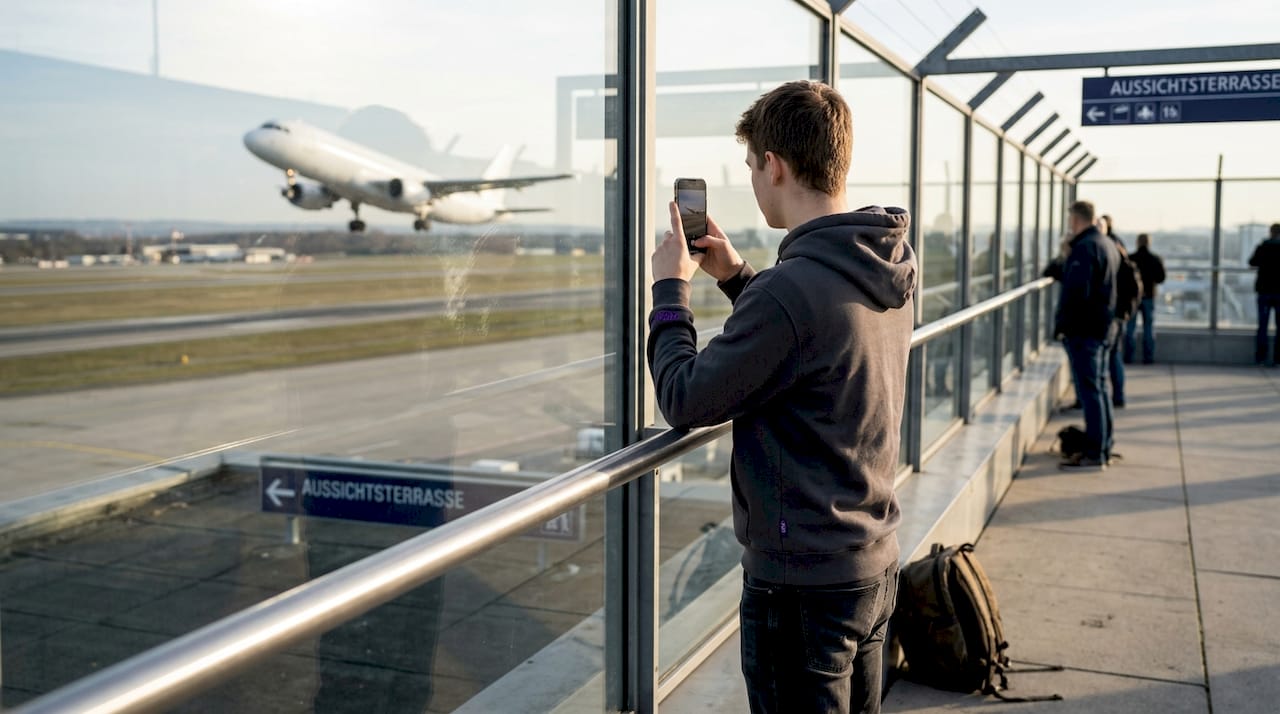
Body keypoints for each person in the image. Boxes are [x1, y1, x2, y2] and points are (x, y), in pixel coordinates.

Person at [646, 80, 917, 714]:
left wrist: (669, 293)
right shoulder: (884, 262)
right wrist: (741, 278)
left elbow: (685, 398)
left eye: (750, 166)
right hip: (870, 565)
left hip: (802, 587)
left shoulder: (790, 293)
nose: (752, 180)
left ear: (774, 164)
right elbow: (819, 350)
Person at [1057, 200, 1120, 471]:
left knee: (1091, 391)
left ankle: (1094, 453)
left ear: (1075, 219)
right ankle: (1104, 445)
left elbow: (1076, 291)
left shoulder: (1084, 248)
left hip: (1085, 331)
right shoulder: (1106, 243)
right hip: (1104, 327)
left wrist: (1064, 326)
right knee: (1100, 389)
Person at [1098, 215, 1127, 408]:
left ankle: (1113, 398)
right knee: (1115, 355)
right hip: (1118, 310)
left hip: (1109, 313)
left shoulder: (1103, 247)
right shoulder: (1118, 247)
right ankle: (1118, 396)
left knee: (1101, 365)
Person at [1124, 233, 1167, 364]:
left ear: (1137, 242)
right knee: (1148, 328)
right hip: (1149, 296)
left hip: (1133, 297)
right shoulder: (1155, 259)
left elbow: (1125, 278)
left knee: (1130, 328)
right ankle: (1148, 358)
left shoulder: (1131, 258)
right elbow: (1161, 278)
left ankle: (1128, 357)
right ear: (1149, 243)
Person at [1249, 223, 1280, 366]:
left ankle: (1261, 357)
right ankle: (1277, 359)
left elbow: (1252, 262)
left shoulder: (1263, 247)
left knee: (1263, 325)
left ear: (1270, 232)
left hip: (1264, 290)